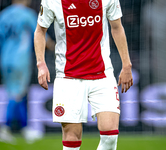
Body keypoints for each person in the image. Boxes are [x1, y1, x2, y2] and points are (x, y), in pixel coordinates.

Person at [34, 0, 133, 149]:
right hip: (68, 77)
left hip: (103, 74)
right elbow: (40, 30)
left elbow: (117, 27)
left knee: (110, 135)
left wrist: (126, 65)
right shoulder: (52, 1)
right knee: (72, 138)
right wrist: (41, 63)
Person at [0, 0, 55, 144]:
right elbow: (42, 37)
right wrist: (58, 49)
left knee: (17, 93)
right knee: (16, 94)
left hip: (5, 60)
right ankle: (4, 128)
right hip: (20, 60)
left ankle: (25, 128)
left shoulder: (3, 14)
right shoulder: (28, 15)